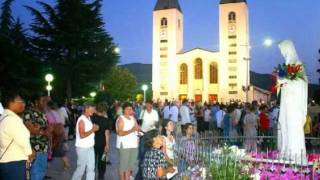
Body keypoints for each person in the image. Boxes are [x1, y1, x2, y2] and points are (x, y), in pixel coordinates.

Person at [0, 91, 34, 180]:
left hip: (6, 160)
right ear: (11, 103)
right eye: (20, 101)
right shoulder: (13, 120)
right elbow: (23, 140)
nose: (23, 104)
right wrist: (30, 153)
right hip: (15, 162)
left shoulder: (3, 117)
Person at [23, 93, 51, 180]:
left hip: (44, 147)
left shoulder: (42, 113)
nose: (45, 103)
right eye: (42, 101)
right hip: (34, 149)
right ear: (36, 102)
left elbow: (47, 129)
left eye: (45, 101)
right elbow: (31, 129)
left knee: (41, 172)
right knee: (35, 173)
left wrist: (42, 131)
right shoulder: (29, 112)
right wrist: (43, 132)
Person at [71, 102, 99, 180]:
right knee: (81, 169)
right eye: (92, 109)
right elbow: (82, 135)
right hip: (82, 148)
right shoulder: (82, 120)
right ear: (86, 109)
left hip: (90, 147)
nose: (94, 111)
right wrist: (93, 129)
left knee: (91, 168)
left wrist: (93, 129)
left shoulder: (88, 118)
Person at [116, 102, 139, 180]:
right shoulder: (121, 119)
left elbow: (137, 129)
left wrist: (138, 133)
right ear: (123, 110)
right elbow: (120, 133)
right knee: (123, 166)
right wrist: (132, 130)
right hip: (125, 145)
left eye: (131, 109)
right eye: (127, 109)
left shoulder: (133, 118)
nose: (130, 110)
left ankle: (128, 178)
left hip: (133, 144)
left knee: (130, 166)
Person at [91, 102, 110, 180]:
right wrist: (107, 145)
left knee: (92, 160)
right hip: (103, 143)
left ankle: (92, 175)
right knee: (102, 160)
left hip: (92, 142)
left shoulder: (91, 118)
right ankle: (101, 176)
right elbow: (107, 133)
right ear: (105, 110)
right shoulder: (106, 120)